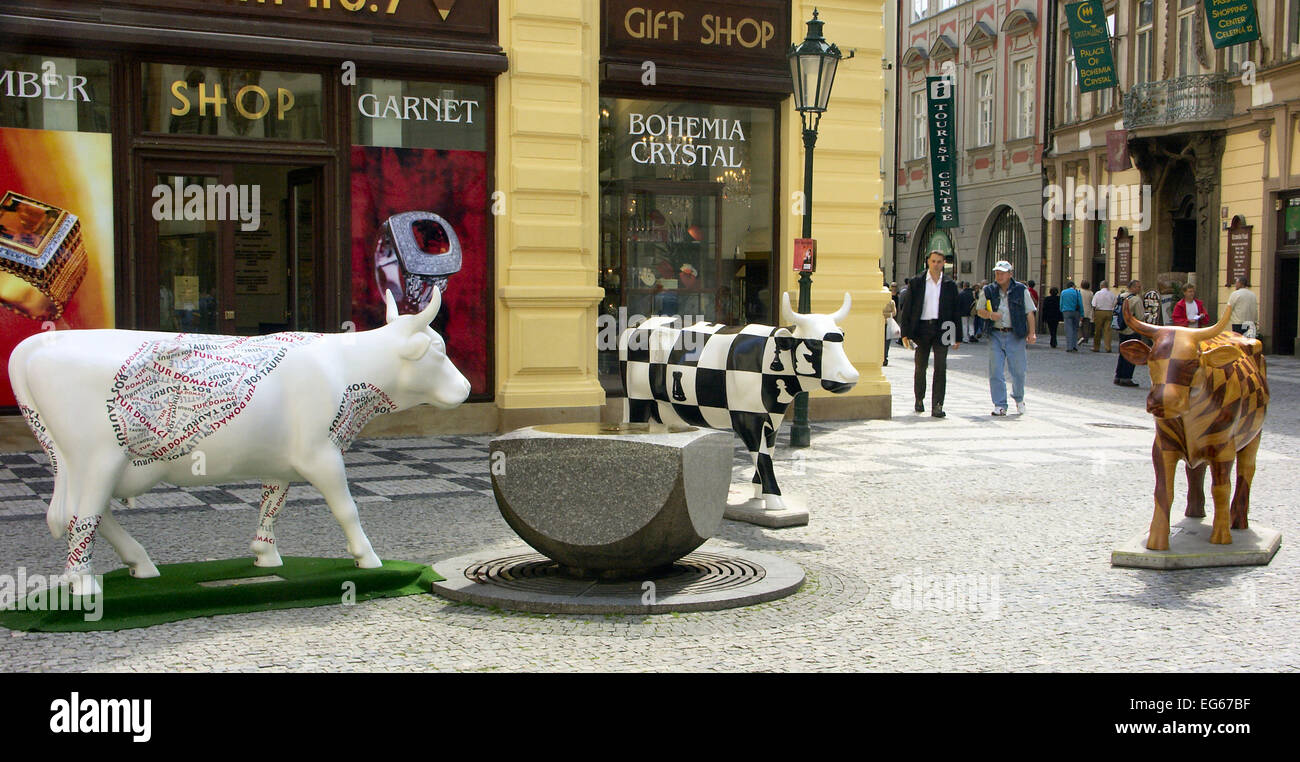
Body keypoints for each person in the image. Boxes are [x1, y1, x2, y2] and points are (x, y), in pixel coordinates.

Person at [900, 250, 962, 417]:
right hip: (921, 328)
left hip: (943, 328)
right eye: (933, 261)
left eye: (939, 261)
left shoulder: (949, 284)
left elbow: (956, 311)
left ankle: (938, 405)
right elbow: (908, 309)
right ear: (928, 262)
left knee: (941, 368)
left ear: (944, 264)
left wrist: (958, 336)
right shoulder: (917, 282)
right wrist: (905, 333)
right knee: (921, 366)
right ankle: (919, 399)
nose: (936, 264)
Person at [976, 260, 1037, 416]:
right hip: (995, 333)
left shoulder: (1021, 290)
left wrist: (1032, 333)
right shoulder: (988, 290)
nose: (999, 275)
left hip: (1016, 334)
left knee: (1018, 371)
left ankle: (1019, 398)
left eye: (1002, 273)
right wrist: (990, 315)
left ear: (1010, 274)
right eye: (997, 272)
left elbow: (1029, 312)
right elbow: (979, 310)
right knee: (995, 370)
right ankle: (1000, 404)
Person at [1114, 279, 1145, 387]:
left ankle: (1118, 376)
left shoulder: (1121, 296)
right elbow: (1140, 316)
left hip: (1121, 328)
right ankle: (1126, 378)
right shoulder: (1136, 299)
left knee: (1122, 353)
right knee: (1132, 354)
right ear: (1132, 287)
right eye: (1137, 287)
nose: (1139, 289)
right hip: (1132, 330)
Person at [1091, 279, 1117, 352]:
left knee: (1097, 330)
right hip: (1109, 312)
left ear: (1101, 286)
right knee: (1108, 331)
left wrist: (1093, 314)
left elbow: (1093, 304)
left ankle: (1096, 347)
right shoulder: (1112, 294)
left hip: (1099, 312)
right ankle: (1108, 347)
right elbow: (1115, 302)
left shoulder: (1097, 293)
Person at [1059, 279, 1083, 352]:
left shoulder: (1063, 292)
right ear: (1073, 286)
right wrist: (1082, 314)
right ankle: (1074, 346)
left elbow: (1061, 303)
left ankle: (1069, 347)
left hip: (1066, 311)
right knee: (1075, 329)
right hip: (1075, 312)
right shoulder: (1077, 292)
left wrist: (1062, 310)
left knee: (1068, 329)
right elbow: (1080, 304)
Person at [882, 289, 897, 366]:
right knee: (886, 342)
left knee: (882, 342)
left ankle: (882, 358)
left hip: (882, 324)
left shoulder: (883, 302)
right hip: (887, 323)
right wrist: (888, 314)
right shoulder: (891, 302)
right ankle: (884, 358)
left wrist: (883, 314)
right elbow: (894, 313)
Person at [1078, 280, 1094, 347]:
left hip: (1080, 310)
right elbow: (1092, 302)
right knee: (1086, 326)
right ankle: (1086, 338)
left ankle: (1080, 337)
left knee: (1079, 325)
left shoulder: (1079, 292)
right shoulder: (1091, 293)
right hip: (1088, 311)